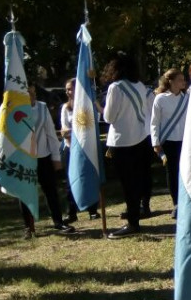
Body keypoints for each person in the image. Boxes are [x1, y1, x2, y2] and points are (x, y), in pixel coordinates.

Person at [101, 54, 154, 239]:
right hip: (141, 138)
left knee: (127, 184)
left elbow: (109, 117)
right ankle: (135, 215)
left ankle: (133, 222)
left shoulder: (115, 87)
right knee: (137, 181)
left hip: (122, 141)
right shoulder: (140, 85)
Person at [21, 85, 73, 237]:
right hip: (24, 158)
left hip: (43, 156)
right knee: (25, 193)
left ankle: (58, 221)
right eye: (28, 93)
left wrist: (55, 157)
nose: (32, 95)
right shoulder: (12, 109)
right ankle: (28, 227)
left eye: (33, 92)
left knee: (51, 190)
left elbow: (50, 133)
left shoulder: (42, 108)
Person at [150, 69, 188, 219]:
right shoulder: (160, 99)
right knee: (172, 173)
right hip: (169, 141)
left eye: (183, 79)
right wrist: (155, 141)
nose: (183, 82)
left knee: (185, 172)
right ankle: (176, 204)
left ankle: (185, 202)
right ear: (171, 81)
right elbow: (154, 122)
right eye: (180, 79)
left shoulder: (187, 98)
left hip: (185, 141)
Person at [60, 78, 99, 223]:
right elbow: (64, 131)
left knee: (89, 177)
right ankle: (71, 212)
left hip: (86, 149)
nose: (68, 92)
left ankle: (92, 209)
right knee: (71, 180)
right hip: (70, 149)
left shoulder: (87, 106)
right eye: (67, 90)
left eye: (71, 89)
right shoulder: (66, 108)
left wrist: (77, 132)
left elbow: (92, 125)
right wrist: (76, 132)